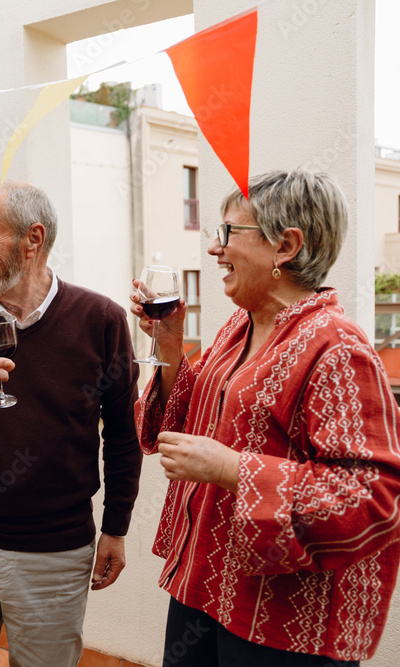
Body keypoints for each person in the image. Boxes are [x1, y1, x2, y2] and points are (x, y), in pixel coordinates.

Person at [131, 169, 400, 666]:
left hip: (280, 626)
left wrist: (233, 469)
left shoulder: (338, 347)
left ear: (286, 247)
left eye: (229, 232)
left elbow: (371, 498)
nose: (215, 248)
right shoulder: (240, 325)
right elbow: (185, 418)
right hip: (204, 588)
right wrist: (168, 344)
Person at [0, 180, 142, 666]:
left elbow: (123, 436)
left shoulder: (101, 320)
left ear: (32, 239)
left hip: (53, 552)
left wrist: (115, 527)